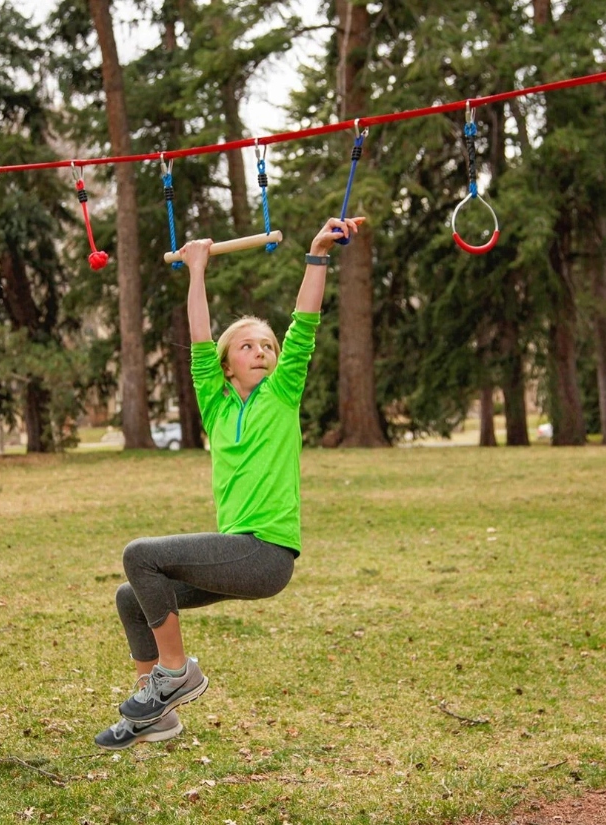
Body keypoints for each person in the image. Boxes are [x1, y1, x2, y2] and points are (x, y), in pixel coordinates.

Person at [94, 215, 364, 750]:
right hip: (237, 553)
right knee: (132, 596)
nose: (262, 351)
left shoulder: (283, 392)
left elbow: (304, 322)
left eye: (267, 344)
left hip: (266, 554)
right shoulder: (215, 405)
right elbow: (198, 337)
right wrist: (196, 269)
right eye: (247, 346)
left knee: (140, 554)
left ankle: (176, 674)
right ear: (226, 364)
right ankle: (157, 715)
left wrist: (317, 253)